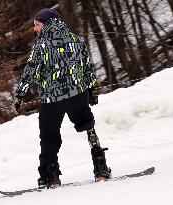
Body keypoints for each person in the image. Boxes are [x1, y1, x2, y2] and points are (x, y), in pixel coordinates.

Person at [13, 8, 111, 189]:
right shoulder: (76, 39)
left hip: (52, 100)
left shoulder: (41, 46)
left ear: (47, 23)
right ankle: (101, 168)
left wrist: (19, 95)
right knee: (88, 127)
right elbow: (87, 66)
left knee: (49, 137)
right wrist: (92, 90)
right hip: (78, 95)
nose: (35, 29)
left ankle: (51, 178)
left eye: (37, 25)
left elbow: (29, 73)